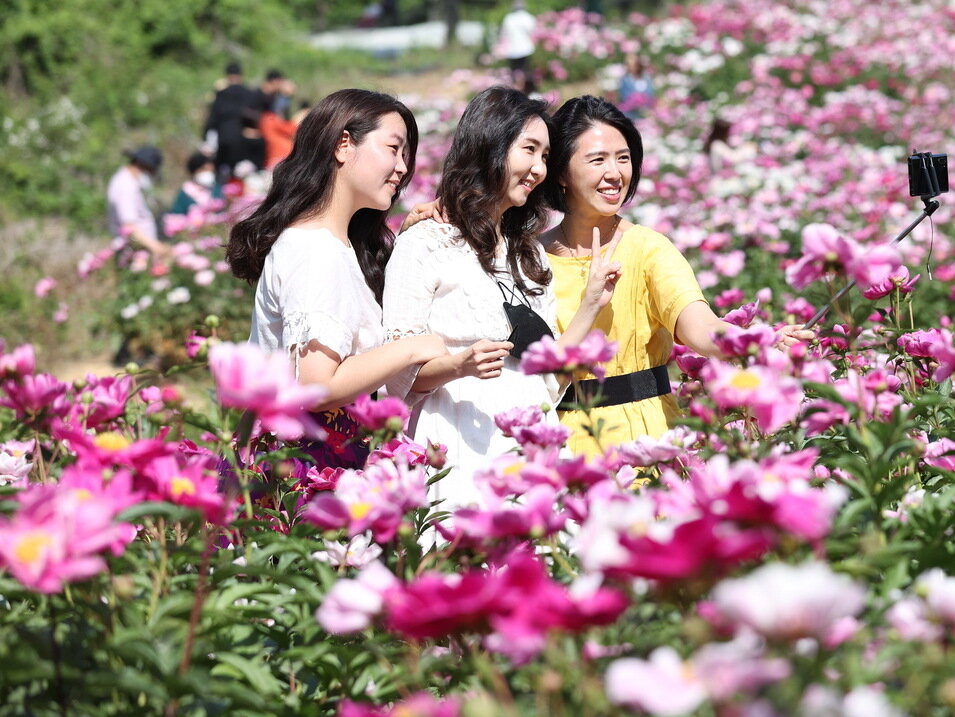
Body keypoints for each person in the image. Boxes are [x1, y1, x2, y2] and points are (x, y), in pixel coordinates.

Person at [383, 87, 619, 510]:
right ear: (490, 143)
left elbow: (549, 374)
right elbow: (395, 373)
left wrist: (590, 304)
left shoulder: (528, 254)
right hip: (458, 433)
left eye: (546, 156)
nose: (539, 169)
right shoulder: (426, 242)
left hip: (529, 432)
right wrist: (459, 365)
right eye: (529, 150)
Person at [540, 96, 810, 457]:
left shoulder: (648, 248)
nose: (615, 173)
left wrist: (755, 340)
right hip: (557, 440)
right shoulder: (530, 257)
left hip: (641, 437)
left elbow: (701, 328)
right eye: (598, 159)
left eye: (623, 158)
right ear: (560, 171)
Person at [226, 89, 448, 468]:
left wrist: (408, 240)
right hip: (301, 470)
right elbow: (317, 386)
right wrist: (412, 348)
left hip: (311, 463)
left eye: (406, 156)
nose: (402, 168)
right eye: (393, 149)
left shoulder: (336, 246)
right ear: (344, 145)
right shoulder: (315, 249)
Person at [203, 62, 265, 179]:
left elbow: (212, 121)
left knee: (223, 178)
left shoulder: (221, 95)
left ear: (227, 76)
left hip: (223, 141)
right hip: (245, 143)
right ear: (241, 75)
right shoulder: (251, 94)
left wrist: (207, 140)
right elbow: (258, 118)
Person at [107, 145, 170, 260]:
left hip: (138, 249)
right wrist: (157, 247)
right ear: (143, 166)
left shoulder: (127, 182)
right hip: (134, 252)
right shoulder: (126, 186)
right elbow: (129, 228)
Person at [499, 0, 537, 93]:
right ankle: (523, 90)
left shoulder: (509, 18)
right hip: (525, 48)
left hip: (513, 49)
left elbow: (504, 33)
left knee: (514, 73)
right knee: (525, 71)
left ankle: (515, 90)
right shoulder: (528, 17)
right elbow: (533, 31)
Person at [169, 152, 223, 217]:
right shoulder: (186, 191)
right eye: (204, 169)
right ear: (194, 171)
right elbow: (176, 215)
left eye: (211, 170)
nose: (208, 173)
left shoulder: (216, 190)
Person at [617, 52, 656, 118]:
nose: (631, 66)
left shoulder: (646, 77)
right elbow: (624, 96)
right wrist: (634, 101)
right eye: (628, 64)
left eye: (634, 64)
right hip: (630, 113)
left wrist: (643, 101)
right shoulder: (624, 79)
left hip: (646, 111)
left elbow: (651, 93)